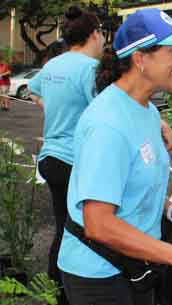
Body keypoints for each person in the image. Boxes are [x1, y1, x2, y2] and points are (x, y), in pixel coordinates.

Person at [57, 8, 172, 305]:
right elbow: (98, 223)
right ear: (140, 59)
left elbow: (132, 190)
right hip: (100, 275)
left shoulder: (148, 112)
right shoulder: (107, 124)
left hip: (136, 263)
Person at [27, 7, 104, 305]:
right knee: (82, 230)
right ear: (95, 34)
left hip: (50, 158)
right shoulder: (89, 68)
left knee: (64, 227)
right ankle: (69, 292)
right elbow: (103, 112)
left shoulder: (52, 65)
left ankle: (56, 291)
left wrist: (51, 107)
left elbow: (33, 92)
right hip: (75, 160)